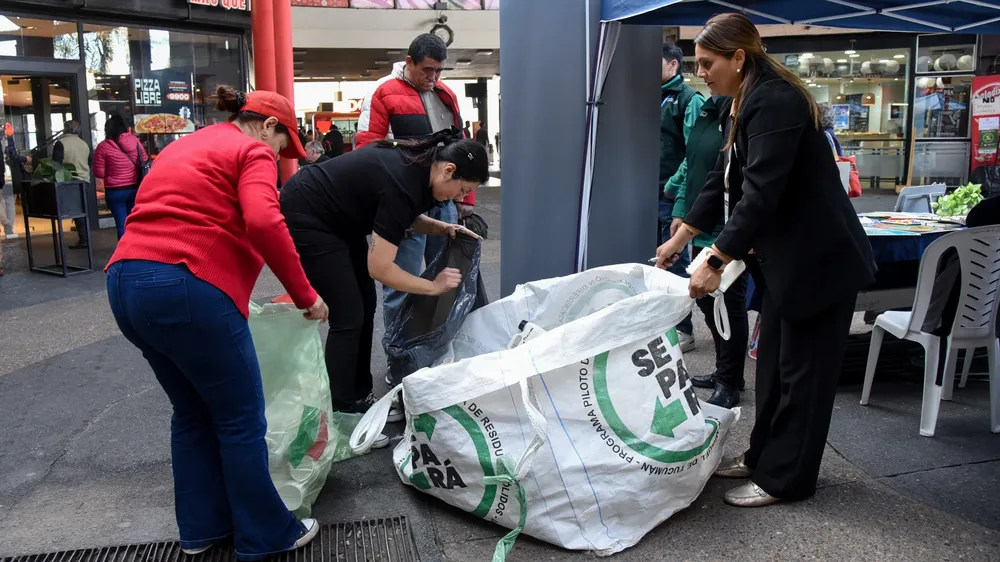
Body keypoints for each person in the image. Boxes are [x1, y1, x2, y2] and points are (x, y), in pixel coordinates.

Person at [656, 12, 875, 508]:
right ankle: (762, 457)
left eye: (708, 63)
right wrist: (682, 235)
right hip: (787, 264)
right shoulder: (745, 100)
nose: (702, 72)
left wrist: (713, 259)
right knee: (774, 368)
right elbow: (723, 176)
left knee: (804, 377)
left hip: (819, 263)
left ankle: (787, 479)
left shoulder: (775, 100)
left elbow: (761, 194)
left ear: (739, 57)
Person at [105, 85, 328, 558]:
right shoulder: (251, 149)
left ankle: (201, 530)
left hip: (125, 282)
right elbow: (265, 222)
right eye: (283, 145)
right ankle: (267, 534)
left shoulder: (188, 143)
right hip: (187, 284)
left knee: (190, 414)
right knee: (240, 419)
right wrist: (307, 296)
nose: (281, 157)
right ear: (268, 125)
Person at [280, 131, 488, 424]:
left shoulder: (420, 170)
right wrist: (432, 287)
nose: (460, 197)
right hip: (308, 214)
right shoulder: (402, 182)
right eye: (462, 189)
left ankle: (358, 394)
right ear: (449, 170)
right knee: (348, 314)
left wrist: (444, 229)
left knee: (365, 303)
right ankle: (341, 409)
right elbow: (380, 268)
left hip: (341, 217)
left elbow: (400, 216)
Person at [356, 33, 474, 348]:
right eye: (427, 70)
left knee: (446, 278)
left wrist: (466, 201)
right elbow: (368, 150)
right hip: (404, 200)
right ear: (409, 62)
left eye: (439, 71)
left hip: (443, 198)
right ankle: (398, 354)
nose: (433, 78)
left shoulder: (445, 93)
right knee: (399, 283)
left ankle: (435, 345)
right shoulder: (383, 92)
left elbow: (461, 149)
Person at [669, 94, 747, 408]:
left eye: (708, 63)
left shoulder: (742, 111)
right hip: (704, 219)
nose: (702, 71)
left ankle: (730, 380)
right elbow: (696, 164)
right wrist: (681, 211)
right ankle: (723, 370)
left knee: (729, 302)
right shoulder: (708, 110)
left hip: (732, 224)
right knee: (707, 302)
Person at [660, 41, 705, 352]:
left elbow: (695, 155)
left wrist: (678, 197)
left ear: (673, 65)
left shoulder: (689, 99)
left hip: (671, 193)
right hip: (648, 190)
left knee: (675, 262)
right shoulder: (652, 96)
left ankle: (683, 329)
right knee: (655, 263)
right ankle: (661, 327)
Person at [93, 115, 147, 240]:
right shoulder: (135, 141)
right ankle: (138, 249)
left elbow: (99, 173)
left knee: (121, 225)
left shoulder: (103, 147)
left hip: (115, 191)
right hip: (134, 188)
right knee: (134, 222)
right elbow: (144, 161)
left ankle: (125, 253)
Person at [52, 121, 93, 248]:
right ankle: (85, 238)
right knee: (82, 210)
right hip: (84, 180)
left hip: (69, 180)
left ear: (65, 129)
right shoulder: (84, 144)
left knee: (75, 211)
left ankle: (84, 239)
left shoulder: (61, 143)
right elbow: (90, 160)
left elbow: (56, 163)